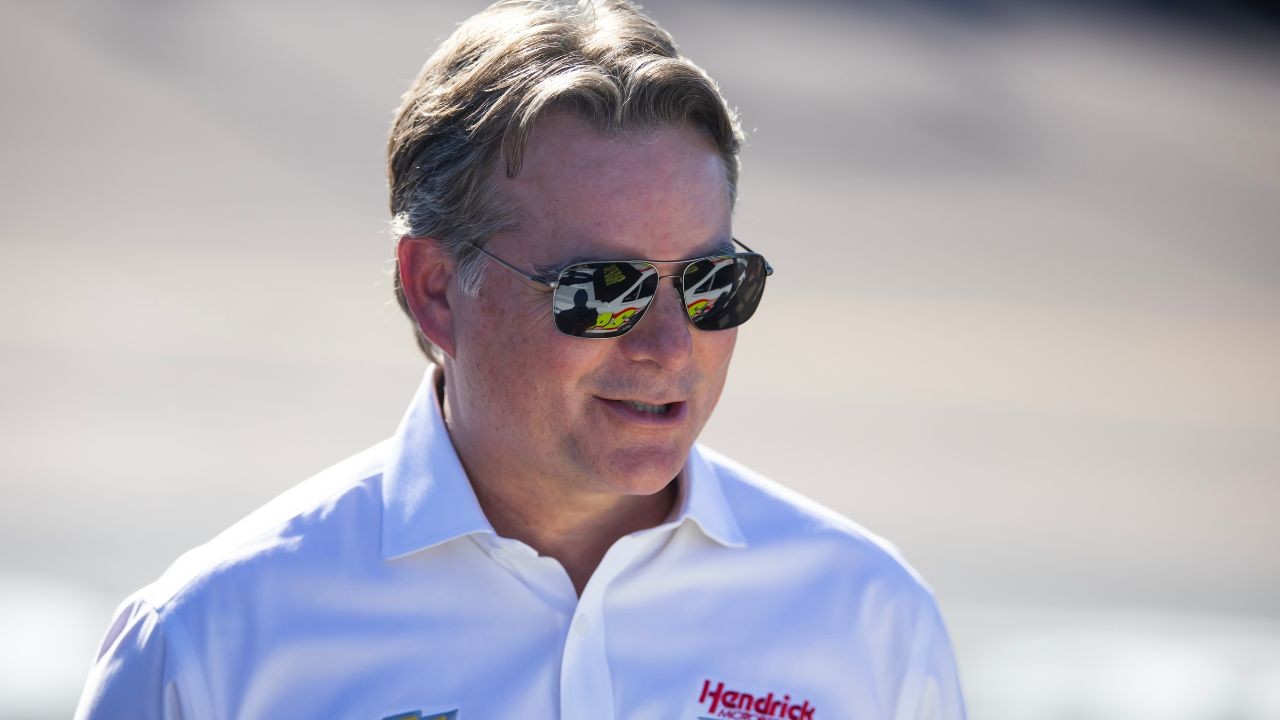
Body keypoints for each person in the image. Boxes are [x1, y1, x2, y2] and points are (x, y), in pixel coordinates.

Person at [75, 1, 966, 718]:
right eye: (603, 289)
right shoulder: (208, 644)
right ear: (435, 289)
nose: (668, 345)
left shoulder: (871, 620)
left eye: (711, 283)